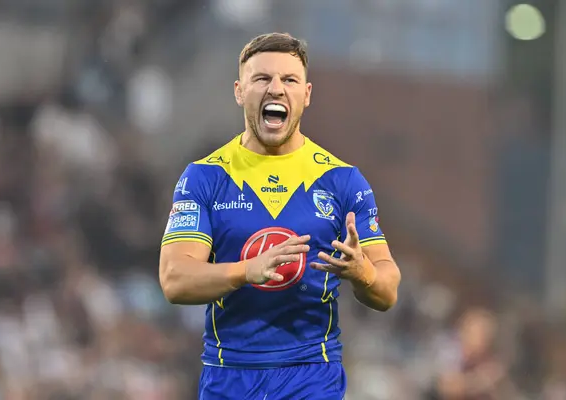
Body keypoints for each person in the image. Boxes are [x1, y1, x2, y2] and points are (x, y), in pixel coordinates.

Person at [159, 32, 401, 400]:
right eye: (262, 79)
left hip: (311, 377)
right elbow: (174, 279)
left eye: (289, 80)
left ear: (306, 94)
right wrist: (246, 271)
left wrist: (361, 271)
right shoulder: (205, 177)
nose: (276, 89)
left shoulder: (342, 181)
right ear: (240, 91)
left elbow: (387, 290)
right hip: (229, 377)